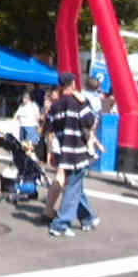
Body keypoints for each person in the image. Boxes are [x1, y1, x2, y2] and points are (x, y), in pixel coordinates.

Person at [48, 72, 100, 237]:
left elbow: (49, 128)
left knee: (76, 185)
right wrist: (85, 103)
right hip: (77, 151)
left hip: (63, 150)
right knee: (73, 187)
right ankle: (61, 224)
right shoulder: (77, 103)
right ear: (72, 84)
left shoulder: (55, 106)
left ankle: (88, 218)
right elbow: (90, 121)